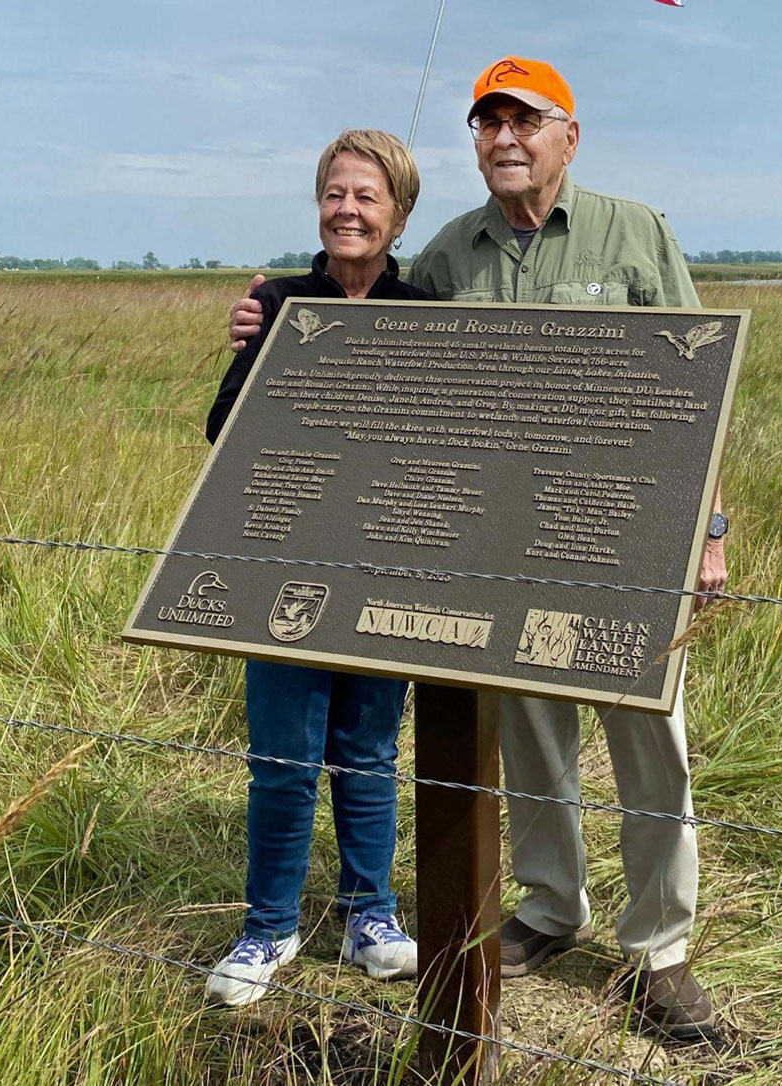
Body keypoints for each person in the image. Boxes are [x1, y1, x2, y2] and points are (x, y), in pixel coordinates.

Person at [226, 60, 727, 1041]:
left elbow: (699, 386)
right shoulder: (455, 254)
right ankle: (547, 909)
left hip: (632, 532)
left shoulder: (637, 235)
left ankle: (659, 950)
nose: (504, 138)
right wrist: (271, 323)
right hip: (512, 541)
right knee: (532, 735)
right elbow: (376, 335)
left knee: (649, 744)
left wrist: (708, 530)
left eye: (524, 121)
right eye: (488, 122)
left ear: (567, 138)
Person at [204, 129, 435, 1007]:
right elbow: (224, 434)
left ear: (399, 215)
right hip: (285, 565)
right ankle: (268, 927)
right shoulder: (277, 302)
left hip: (387, 565)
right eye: (335, 193)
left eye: (367, 197)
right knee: (283, 758)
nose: (348, 210)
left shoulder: (430, 308)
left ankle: (370, 913)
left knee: (371, 751)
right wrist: (253, 354)